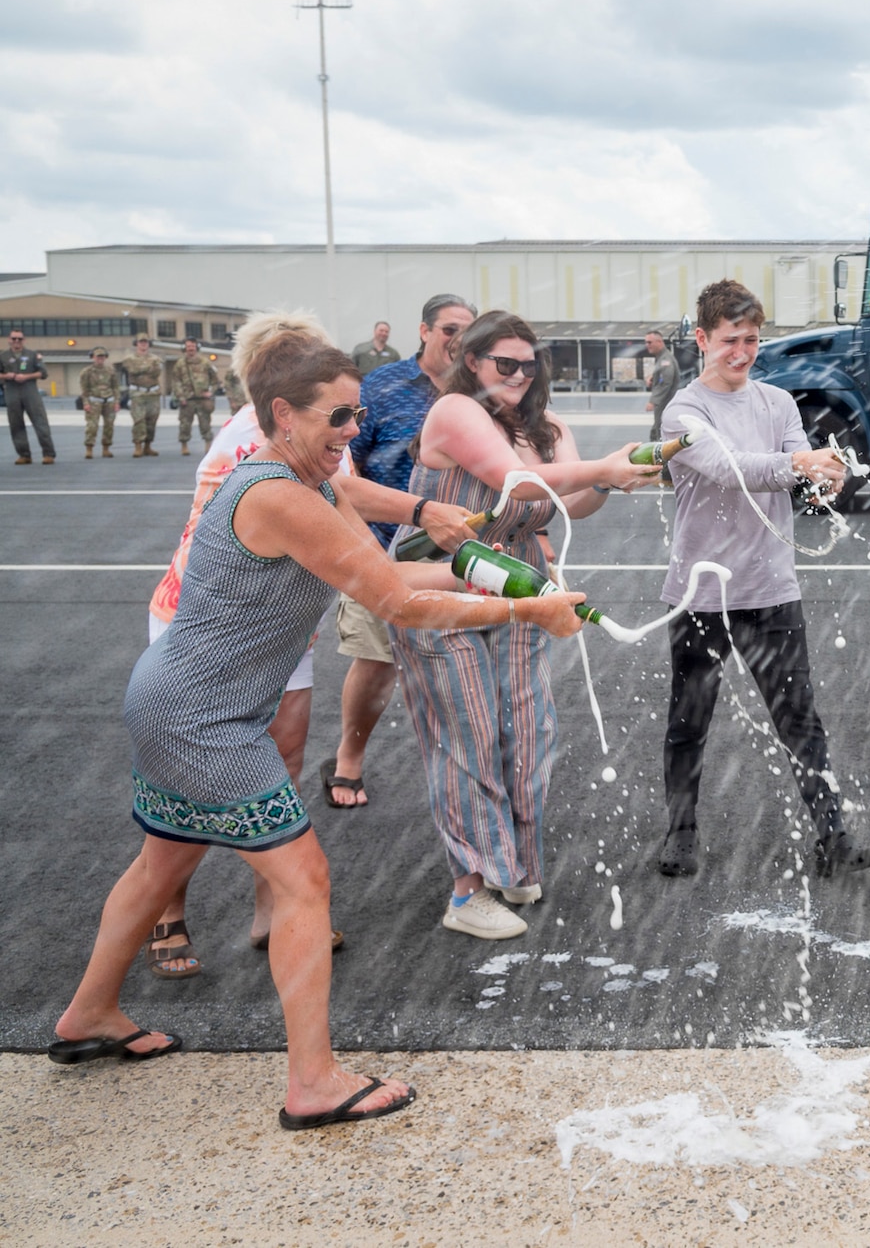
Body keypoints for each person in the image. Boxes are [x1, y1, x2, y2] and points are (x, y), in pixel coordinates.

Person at [50, 329, 585, 1130]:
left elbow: (393, 569)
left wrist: (503, 572)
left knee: (161, 864)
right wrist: (527, 609)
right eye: (337, 417)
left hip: (177, 703)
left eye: (357, 414)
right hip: (204, 721)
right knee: (304, 881)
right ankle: (315, 1082)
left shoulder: (305, 480)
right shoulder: (277, 496)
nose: (351, 431)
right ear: (281, 415)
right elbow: (395, 602)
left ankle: (89, 1013)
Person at [138, 312, 480, 978]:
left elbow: (343, 503)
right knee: (181, 792)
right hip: (199, 625)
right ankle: (171, 907)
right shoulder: (259, 439)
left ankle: (274, 909)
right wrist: (431, 523)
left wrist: (437, 541)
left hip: (278, 621)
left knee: (284, 759)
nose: (347, 416)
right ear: (280, 395)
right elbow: (351, 524)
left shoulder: (320, 434)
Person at [396, 309, 656, 939]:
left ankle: (509, 866)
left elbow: (566, 504)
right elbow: (510, 480)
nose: (516, 374)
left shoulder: (547, 426)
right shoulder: (455, 411)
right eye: (502, 363)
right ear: (472, 363)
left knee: (529, 731)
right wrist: (601, 467)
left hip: (521, 587)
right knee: (469, 735)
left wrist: (614, 478)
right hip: (446, 585)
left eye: (527, 364)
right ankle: (467, 893)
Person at [654, 279, 870, 880]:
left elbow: (794, 470)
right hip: (702, 592)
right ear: (702, 338)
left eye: (753, 339)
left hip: (770, 588)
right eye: (730, 340)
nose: (743, 351)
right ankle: (680, 834)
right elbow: (727, 469)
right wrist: (799, 464)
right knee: (689, 719)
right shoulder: (683, 411)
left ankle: (833, 838)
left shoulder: (778, 403)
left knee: (801, 721)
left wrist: (823, 479)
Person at [334, 294, 477, 809]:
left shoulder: (478, 391)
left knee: (461, 666)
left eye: (467, 328)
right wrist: (359, 539)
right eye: (449, 328)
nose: (458, 337)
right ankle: (348, 758)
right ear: (424, 330)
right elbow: (344, 467)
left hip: (457, 551)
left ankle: (464, 773)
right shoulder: (382, 385)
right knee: (377, 663)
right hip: (379, 547)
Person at [5, 329, 55, 464]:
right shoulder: (3, 356)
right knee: (16, 425)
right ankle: (24, 454)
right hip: (12, 393)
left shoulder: (32, 355)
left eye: (19, 339)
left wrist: (26, 376)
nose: (16, 341)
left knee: (40, 423)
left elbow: (43, 373)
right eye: (14, 339)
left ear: (24, 340)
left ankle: (48, 453)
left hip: (30, 392)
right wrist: (7, 376)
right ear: (9, 340)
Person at [172, 336, 220, 455]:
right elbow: (176, 381)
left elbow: (215, 380)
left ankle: (208, 444)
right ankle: (184, 445)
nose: (190, 349)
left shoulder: (205, 363)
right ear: (184, 348)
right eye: (188, 346)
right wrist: (180, 396)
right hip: (187, 400)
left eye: (192, 346)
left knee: (205, 423)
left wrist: (211, 392)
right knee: (185, 424)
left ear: (197, 347)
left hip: (203, 399)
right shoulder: (180, 364)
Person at [125, 335, 164, 457]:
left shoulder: (156, 358)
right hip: (138, 393)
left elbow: (156, 372)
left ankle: (148, 446)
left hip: (152, 393)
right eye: (140, 342)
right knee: (139, 420)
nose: (143, 344)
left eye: (145, 342)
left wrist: (145, 368)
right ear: (136, 344)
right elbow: (133, 371)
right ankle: (138, 445)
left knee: (152, 420)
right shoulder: (129, 359)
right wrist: (148, 367)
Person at [79, 347, 120, 460]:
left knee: (109, 426)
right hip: (94, 401)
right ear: (93, 357)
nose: (100, 359)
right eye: (98, 357)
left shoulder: (111, 371)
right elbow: (84, 389)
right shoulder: (87, 372)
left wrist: (116, 401)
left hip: (109, 401)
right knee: (92, 426)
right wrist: (86, 403)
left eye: (102, 357)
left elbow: (115, 387)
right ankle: (89, 448)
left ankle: (106, 448)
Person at [644, 329, 679, 441]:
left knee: (659, 433)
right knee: (657, 431)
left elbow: (665, 382)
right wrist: (653, 377)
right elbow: (662, 376)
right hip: (664, 404)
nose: (647, 345)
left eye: (650, 342)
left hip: (665, 404)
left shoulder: (665, 360)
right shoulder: (662, 358)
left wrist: (653, 400)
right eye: (646, 342)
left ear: (659, 342)